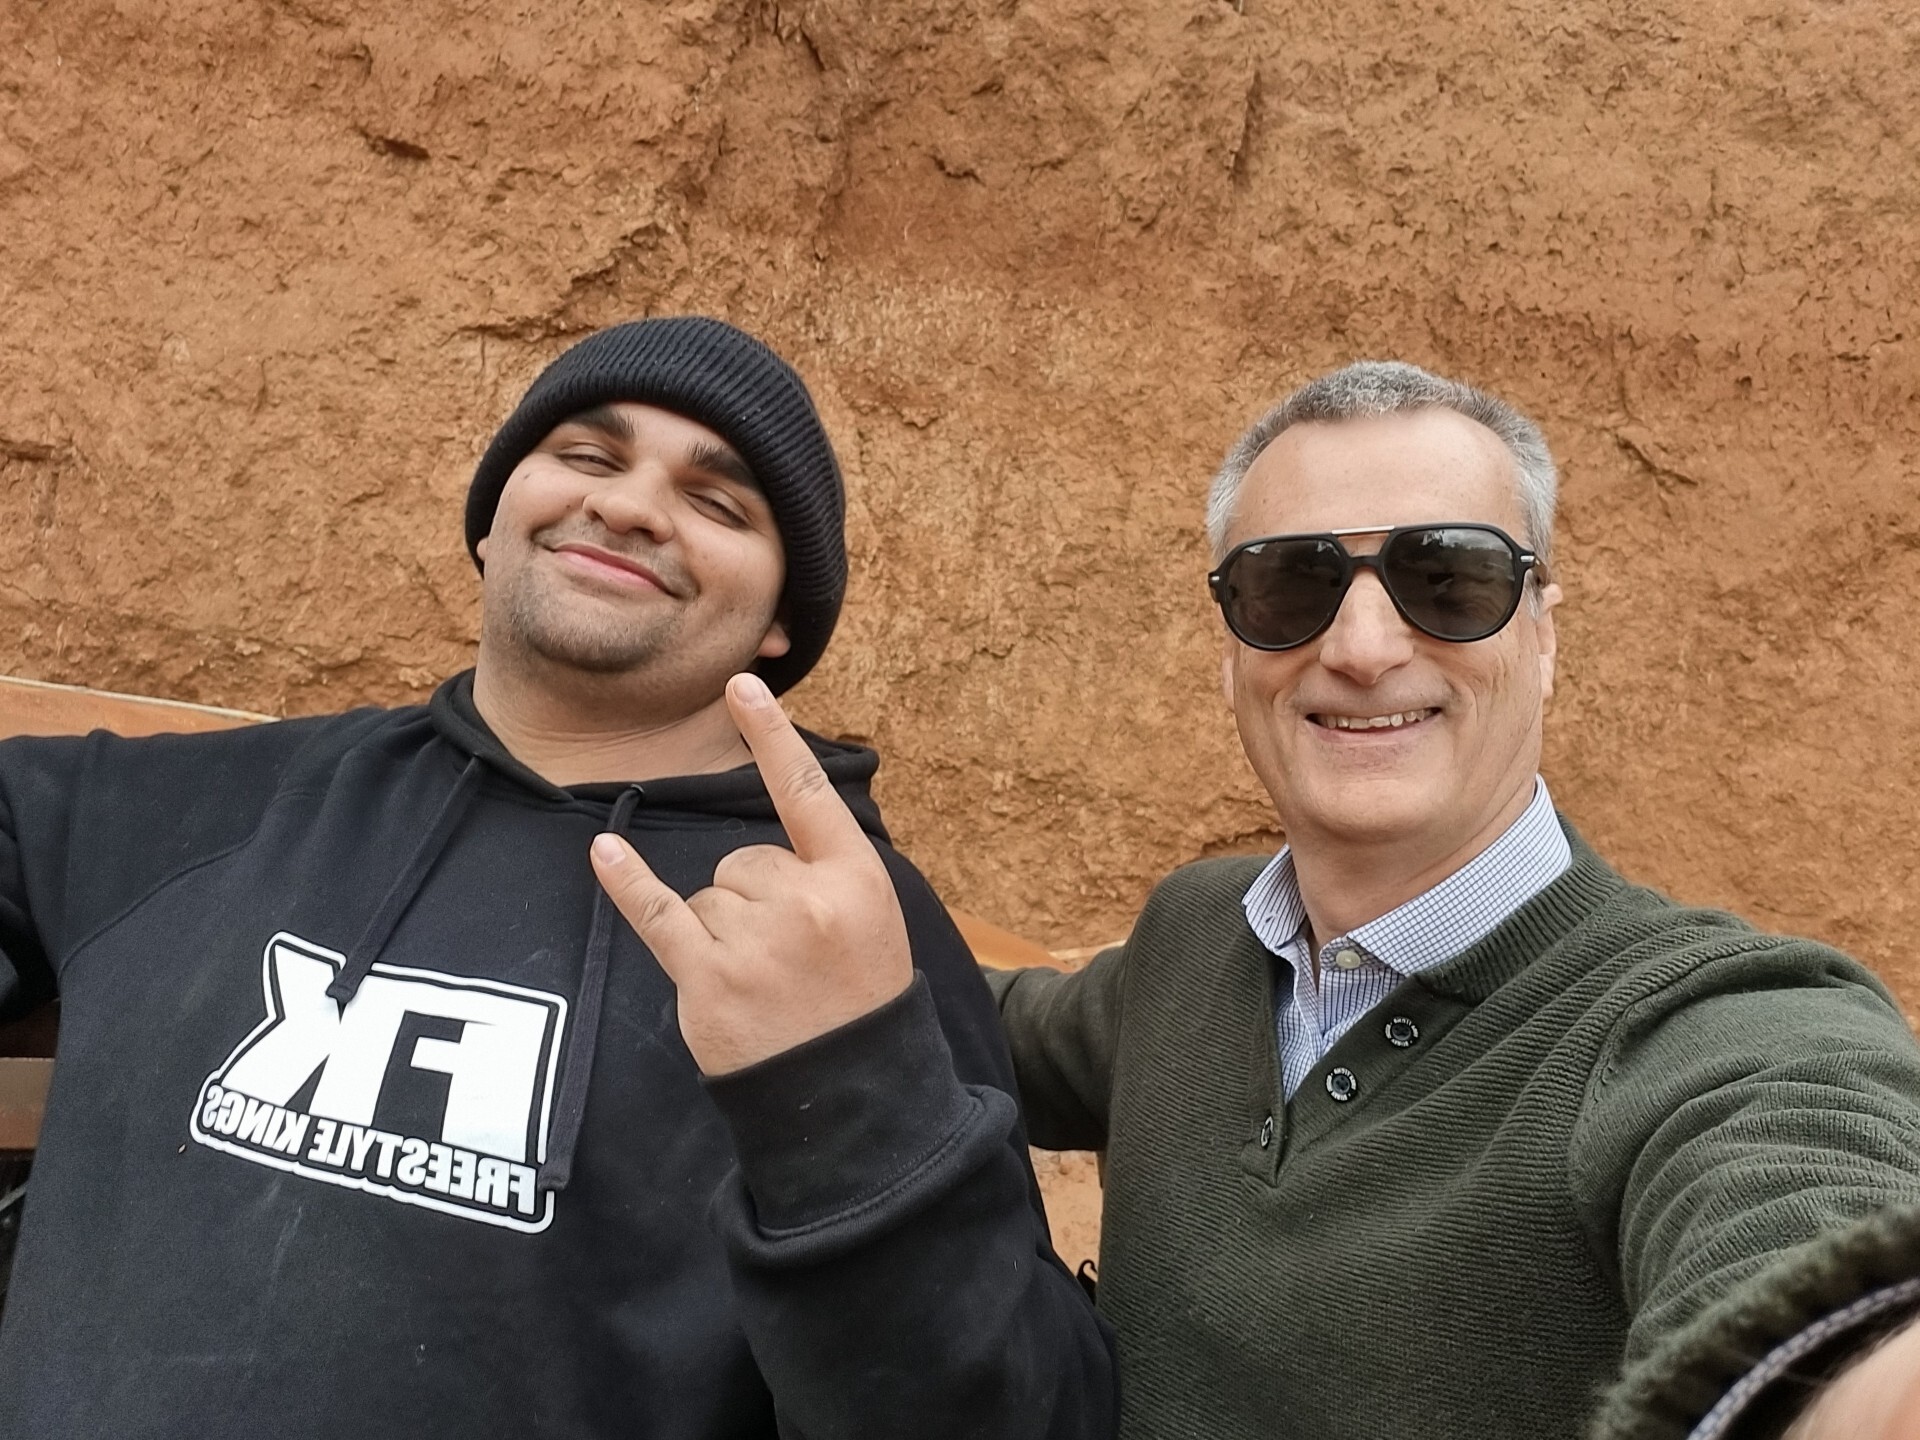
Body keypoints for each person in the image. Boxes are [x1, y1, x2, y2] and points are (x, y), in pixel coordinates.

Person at [0, 316, 1117, 1439]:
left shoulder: (841, 927)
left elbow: (1011, 1416)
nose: (630, 506)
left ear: (781, 621)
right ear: (495, 516)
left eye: (719, 504)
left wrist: (851, 1099)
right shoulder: (198, 810)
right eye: (587, 456)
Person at [985, 361, 1920, 1440]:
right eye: (1291, 587)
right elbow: (976, 1024)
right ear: (1230, 650)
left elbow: (1812, 1217)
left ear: (1545, 634)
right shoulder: (1193, 937)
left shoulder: (1706, 1027)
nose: (1362, 649)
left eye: (1451, 581)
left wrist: (1849, 1384)